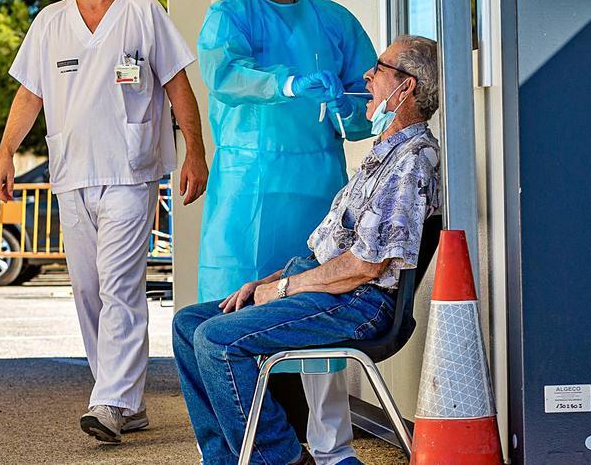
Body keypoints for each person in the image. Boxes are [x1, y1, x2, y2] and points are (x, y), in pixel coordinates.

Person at [0, 0, 209, 445]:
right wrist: (4, 152)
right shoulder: (50, 22)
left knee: (120, 287)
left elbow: (178, 84)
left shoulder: (142, 12)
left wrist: (195, 151)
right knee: (87, 291)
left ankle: (112, 400)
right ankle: (121, 398)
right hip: (71, 174)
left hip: (130, 172)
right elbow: (29, 93)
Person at [174, 35, 442, 465]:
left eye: (379, 68)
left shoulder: (412, 159)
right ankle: (225, 458)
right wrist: (267, 282)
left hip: (358, 302)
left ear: (405, 86)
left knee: (218, 339)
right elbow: (331, 250)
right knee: (190, 324)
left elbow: (364, 268)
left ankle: (278, 459)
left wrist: (281, 290)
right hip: (332, 285)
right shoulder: (384, 153)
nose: (367, 75)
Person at [195, 0, 378, 463]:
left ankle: (332, 447)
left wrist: (350, 110)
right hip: (245, 188)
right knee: (224, 317)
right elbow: (226, 75)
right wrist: (292, 85)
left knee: (317, 298)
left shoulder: (334, 19)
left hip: (315, 182)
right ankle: (233, 447)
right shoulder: (230, 16)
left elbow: (366, 98)